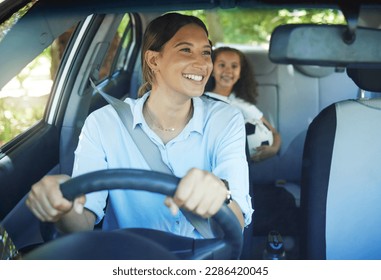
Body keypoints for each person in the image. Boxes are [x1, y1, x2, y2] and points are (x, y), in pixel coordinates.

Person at [25, 13, 253, 239]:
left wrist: (221, 196)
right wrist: (64, 205)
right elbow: (82, 222)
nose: (203, 63)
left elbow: (238, 222)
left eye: (206, 52)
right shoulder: (103, 124)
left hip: (203, 257)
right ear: (154, 60)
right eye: (186, 50)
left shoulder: (226, 119)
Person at [205, 46, 281, 162]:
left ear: (240, 73)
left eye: (234, 66)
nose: (228, 71)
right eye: (222, 65)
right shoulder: (199, 99)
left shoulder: (242, 105)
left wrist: (274, 149)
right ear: (211, 70)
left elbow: (274, 132)